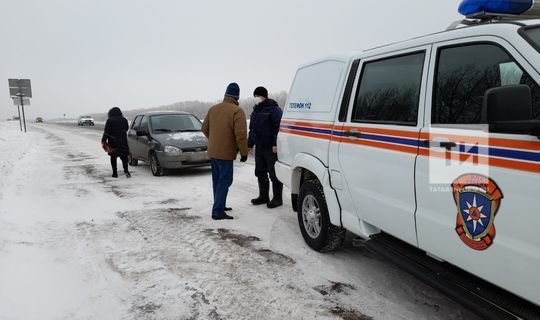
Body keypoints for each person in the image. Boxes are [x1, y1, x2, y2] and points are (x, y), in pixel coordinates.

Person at [202, 83, 249, 220]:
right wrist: (244, 152)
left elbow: (204, 128)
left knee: (217, 181)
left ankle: (220, 205)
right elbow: (240, 135)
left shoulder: (213, 109)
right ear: (237, 96)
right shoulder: (237, 111)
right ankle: (217, 211)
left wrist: (215, 140)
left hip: (213, 152)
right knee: (225, 181)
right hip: (226, 153)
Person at [248, 86, 283, 208]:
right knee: (260, 172)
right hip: (259, 147)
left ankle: (278, 199)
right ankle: (263, 196)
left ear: (264, 96)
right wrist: (250, 144)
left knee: (274, 174)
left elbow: (279, 128)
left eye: (257, 96)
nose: (256, 98)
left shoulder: (274, 109)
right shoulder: (255, 111)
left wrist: (275, 143)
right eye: (255, 96)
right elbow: (252, 129)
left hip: (270, 147)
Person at [102, 107, 131, 178]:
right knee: (124, 157)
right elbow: (127, 128)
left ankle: (115, 173)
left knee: (113, 157)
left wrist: (103, 140)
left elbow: (106, 132)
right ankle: (126, 171)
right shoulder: (124, 120)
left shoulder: (109, 120)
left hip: (113, 141)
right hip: (123, 141)